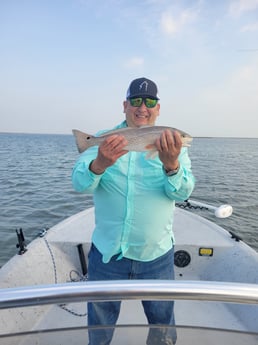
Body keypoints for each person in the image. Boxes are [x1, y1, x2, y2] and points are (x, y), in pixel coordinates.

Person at [72, 77, 195, 345]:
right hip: (107, 256)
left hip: (156, 256)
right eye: (136, 101)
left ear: (158, 108)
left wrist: (172, 164)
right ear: (125, 105)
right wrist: (100, 163)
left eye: (150, 101)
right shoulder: (104, 138)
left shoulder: (172, 143)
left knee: (163, 327)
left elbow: (183, 192)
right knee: (99, 330)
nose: (143, 107)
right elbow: (79, 183)